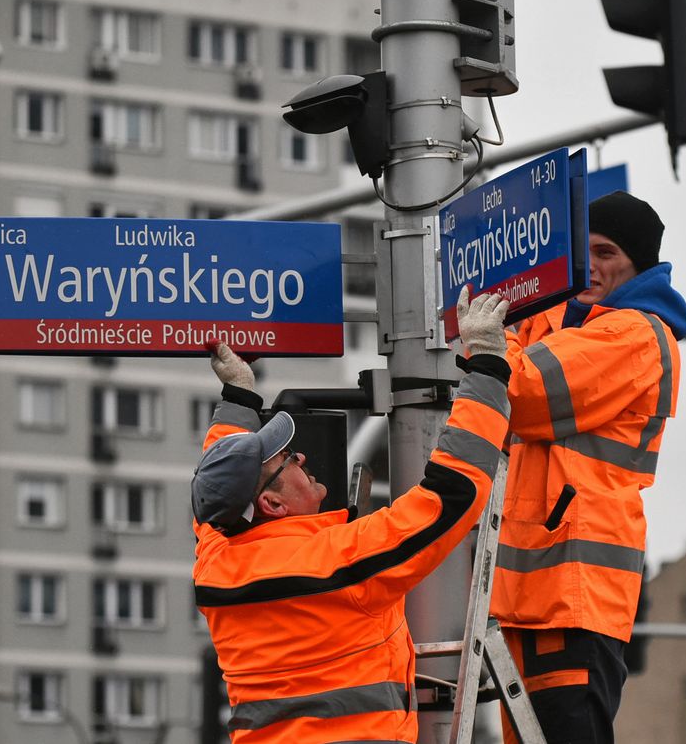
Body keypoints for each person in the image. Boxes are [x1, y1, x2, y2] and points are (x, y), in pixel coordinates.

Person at [192, 289, 511, 743]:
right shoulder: (338, 559)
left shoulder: (217, 567)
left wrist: (239, 397)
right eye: (287, 461)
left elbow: (216, 489)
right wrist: (487, 369)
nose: (301, 456)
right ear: (273, 505)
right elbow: (451, 496)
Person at [490, 190, 686, 744]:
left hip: (571, 597)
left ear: (638, 266)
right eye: (584, 251)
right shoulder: (578, 326)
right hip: (538, 597)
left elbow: (521, 391)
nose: (591, 266)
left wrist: (492, 340)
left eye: (606, 253)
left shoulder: (635, 335)